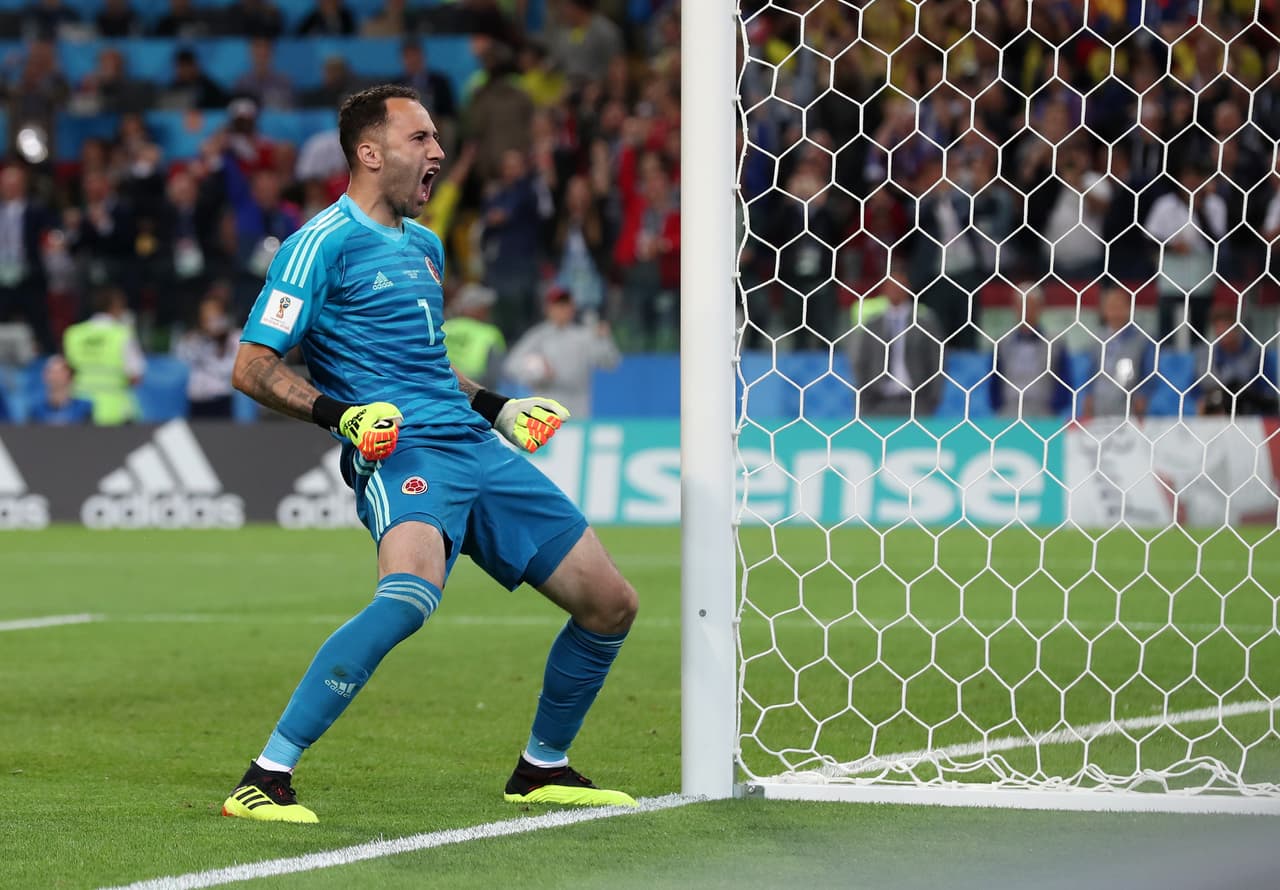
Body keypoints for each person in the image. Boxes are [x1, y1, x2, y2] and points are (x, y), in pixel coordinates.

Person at [223, 85, 638, 824]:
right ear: (369, 153)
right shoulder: (319, 244)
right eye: (420, 139)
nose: (439, 153)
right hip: (404, 448)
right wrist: (342, 417)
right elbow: (252, 365)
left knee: (610, 605)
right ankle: (265, 777)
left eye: (437, 138)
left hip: (474, 445)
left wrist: (499, 408)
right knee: (410, 595)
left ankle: (541, 768)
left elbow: (431, 364)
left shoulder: (425, 246)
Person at [504, 286, 620, 419]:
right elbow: (511, 366)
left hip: (577, 410)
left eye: (566, 305)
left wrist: (604, 339)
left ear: (572, 308)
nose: (562, 310)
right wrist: (537, 373)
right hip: (544, 410)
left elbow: (610, 362)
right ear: (548, 308)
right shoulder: (537, 336)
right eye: (558, 305)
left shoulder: (583, 336)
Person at [851, 254, 943, 418]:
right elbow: (861, 362)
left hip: (916, 404)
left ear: (908, 286)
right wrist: (865, 398)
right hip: (877, 403)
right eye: (890, 284)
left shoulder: (925, 324)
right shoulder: (872, 325)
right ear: (883, 288)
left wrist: (931, 401)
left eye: (899, 284)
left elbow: (937, 363)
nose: (894, 289)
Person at [62, 286, 145, 425]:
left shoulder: (74, 333)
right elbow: (136, 375)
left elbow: (66, 371)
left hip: (79, 410)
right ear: (116, 307)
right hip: (116, 411)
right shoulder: (123, 334)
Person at [992, 284, 1071, 418]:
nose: (1026, 310)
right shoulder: (1002, 343)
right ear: (1014, 307)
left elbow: (1064, 381)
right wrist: (1001, 407)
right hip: (1009, 415)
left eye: (1031, 305)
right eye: (1021, 305)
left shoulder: (1056, 343)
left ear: (1040, 308)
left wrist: (1053, 408)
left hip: (1044, 416)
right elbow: (995, 381)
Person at [1195, 304, 1279, 416]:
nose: (1222, 332)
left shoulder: (1256, 355)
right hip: (1216, 414)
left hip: (1249, 413)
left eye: (1226, 327)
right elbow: (1195, 393)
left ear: (1236, 328)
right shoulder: (1205, 357)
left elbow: (1268, 393)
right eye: (1218, 327)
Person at [174, 288, 240, 418]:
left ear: (223, 315)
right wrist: (201, 339)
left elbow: (229, 369)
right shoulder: (193, 339)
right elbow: (181, 357)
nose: (209, 320)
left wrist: (221, 342)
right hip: (196, 401)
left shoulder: (234, 338)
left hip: (221, 400)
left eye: (213, 314)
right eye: (205, 315)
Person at [442, 282, 506, 390]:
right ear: (473, 309)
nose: (488, 312)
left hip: (443, 388)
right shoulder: (489, 334)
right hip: (475, 390)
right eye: (485, 308)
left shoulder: (442, 328)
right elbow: (494, 377)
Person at [27, 354, 93, 424]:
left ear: (70, 376)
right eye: (51, 372)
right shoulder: (36, 410)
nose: (54, 377)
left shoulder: (83, 408)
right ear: (44, 376)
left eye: (59, 372)